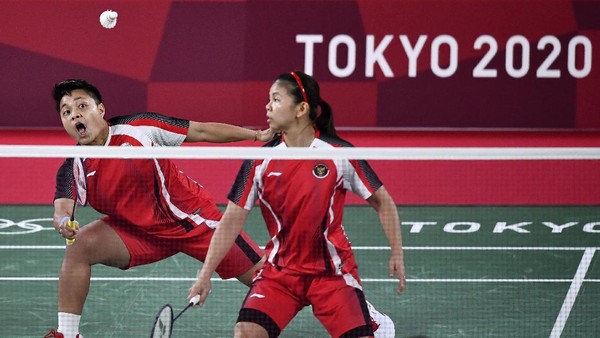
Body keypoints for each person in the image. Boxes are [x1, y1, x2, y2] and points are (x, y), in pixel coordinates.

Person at [44, 79, 273, 338]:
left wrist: (255, 135)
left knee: (268, 280)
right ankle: (68, 334)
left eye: (81, 105)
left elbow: (202, 131)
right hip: (138, 234)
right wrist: (64, 223)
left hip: (192, 221)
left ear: (101, 110)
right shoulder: (74, 166)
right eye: (66, 112)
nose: (74, 114)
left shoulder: (140, 128)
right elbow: (62, 208)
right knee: (79, 247)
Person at [188, 71, 405, 338]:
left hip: (332, 275)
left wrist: (397, 252)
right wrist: (205, 274)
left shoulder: (338, 154)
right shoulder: (259, 162)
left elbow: (382, 201)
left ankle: (369, 318)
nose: (268, 106)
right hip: (280, 275)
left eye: (276, 100)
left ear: (301, 108)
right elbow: (231, 220)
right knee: (246, 333)